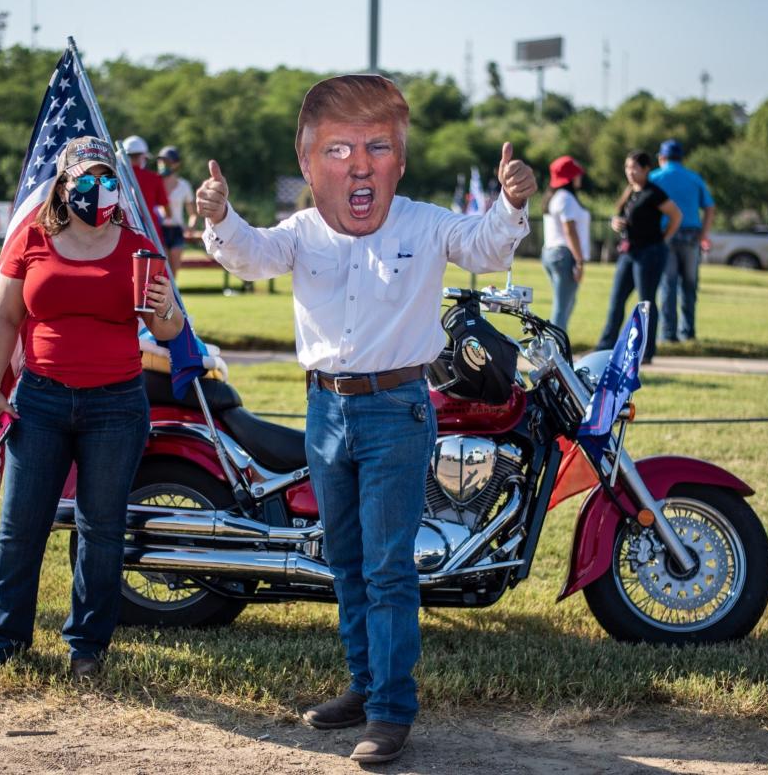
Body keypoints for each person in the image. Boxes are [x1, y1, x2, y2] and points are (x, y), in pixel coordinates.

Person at [197, 74, 535, 764]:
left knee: (386, 568)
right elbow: (251, 255)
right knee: (345, 561)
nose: (357, 164)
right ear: (309, 162)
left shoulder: (424, 221)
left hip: (395, 408)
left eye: (375, 147)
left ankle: (389, 712)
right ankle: (361, 686)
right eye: (338, 149)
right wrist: (220, 214)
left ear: (398, 161)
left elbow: (485, 247)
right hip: (325, 407)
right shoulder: (302, 229)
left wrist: (509, 202)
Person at [0, 136, 185, 677]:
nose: (98, 188)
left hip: (116, 405)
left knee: (101, 529)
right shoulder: (32, 238)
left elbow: (166, 329)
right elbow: (3, 318)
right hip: (40, 400)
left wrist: (169, 311)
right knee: (22, 526)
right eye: (86, 179)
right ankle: (3, 644)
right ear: (64, 186)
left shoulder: (138, 247)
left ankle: (86, 647)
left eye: (108, 178)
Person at [595, 151, 683, 360]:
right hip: (629, 252)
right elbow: (624, 217)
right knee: (616, 300)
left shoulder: (654, 192)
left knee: (645, 304)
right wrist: (615, 222)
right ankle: (605, 346)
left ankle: (645, 351)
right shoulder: (631, 192)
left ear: (646, 169)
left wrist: (663, 238)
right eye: (627, 167)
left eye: (635, 168)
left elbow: (676, 216)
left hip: (649, 253)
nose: (630, 172)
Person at [650, 139, 715, 343]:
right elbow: (710, 207)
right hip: (691, 236)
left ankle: (668, 334)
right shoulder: (694, 178)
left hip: (665, 235)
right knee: (689, 284)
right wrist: (704, 233)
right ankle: (688, 331)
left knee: (667, 285)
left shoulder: (654, 177)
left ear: (662, 158)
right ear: (681, 158)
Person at [539, 155, 589, 330]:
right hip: (564, 254)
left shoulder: (554, 196)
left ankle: (551, 348)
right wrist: (580, 261)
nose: (580, 177)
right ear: (570, 177)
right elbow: (570, 230)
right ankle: (552, 351)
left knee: (565, 303)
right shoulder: (566, 198)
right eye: (577, 174)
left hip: (552, 253)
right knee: (562, 308)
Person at [157, 145, 196, 275]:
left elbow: (192, 214)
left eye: (167, 161)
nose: (163, 164)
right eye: (161, 161)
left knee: (173, 273)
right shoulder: (154, 181)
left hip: (176, 230)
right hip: (158, 229)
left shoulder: (184, 185)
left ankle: (172, 296)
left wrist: (190, 228)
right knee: (161, 270)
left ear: (176, 164)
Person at [121, 135, 169, 240]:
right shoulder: (154, 178)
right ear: (143, 156)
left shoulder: (116, 177)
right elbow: (166, 208)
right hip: (150, 230)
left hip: (122, 229)